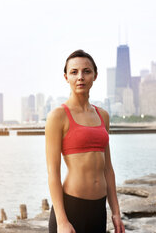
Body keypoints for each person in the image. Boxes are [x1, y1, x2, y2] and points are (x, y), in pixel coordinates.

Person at [45, 50, 125, 233]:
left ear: (95, 76)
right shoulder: (58, 116)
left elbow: (108, 169)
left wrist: (116, 212)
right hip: (71, 208)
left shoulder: (102, 115)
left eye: (86, 71)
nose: (80, 77)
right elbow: (53, 173)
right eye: (74, 72)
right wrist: (62, 221)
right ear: (66, 77)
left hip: (98, 210)